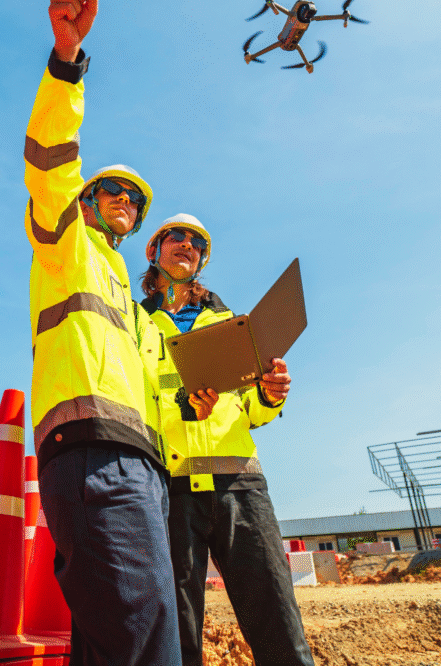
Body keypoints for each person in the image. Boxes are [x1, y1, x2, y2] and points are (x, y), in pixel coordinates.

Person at [24, 0, 181, 666]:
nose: (125, 200)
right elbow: (52, 155)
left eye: (136, 200)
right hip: (91, 455)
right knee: (147, 629)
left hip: (139, 463)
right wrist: (67, 60)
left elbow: (156, 384)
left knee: (111, 636)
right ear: (90, 199)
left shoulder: (125, 288)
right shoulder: (64, 235)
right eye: (113, 190)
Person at [139, 214, 315, 666]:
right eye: (175, 237)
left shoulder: (231, 323)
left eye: (196, 242)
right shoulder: (135, 326)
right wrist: (182, 406)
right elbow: (133, 401)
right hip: (170, 490)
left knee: (278, 622)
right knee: (178, 634)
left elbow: (252, 411)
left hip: (241, 487)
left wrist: (270, 394)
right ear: (153, 251)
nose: (187, 244)